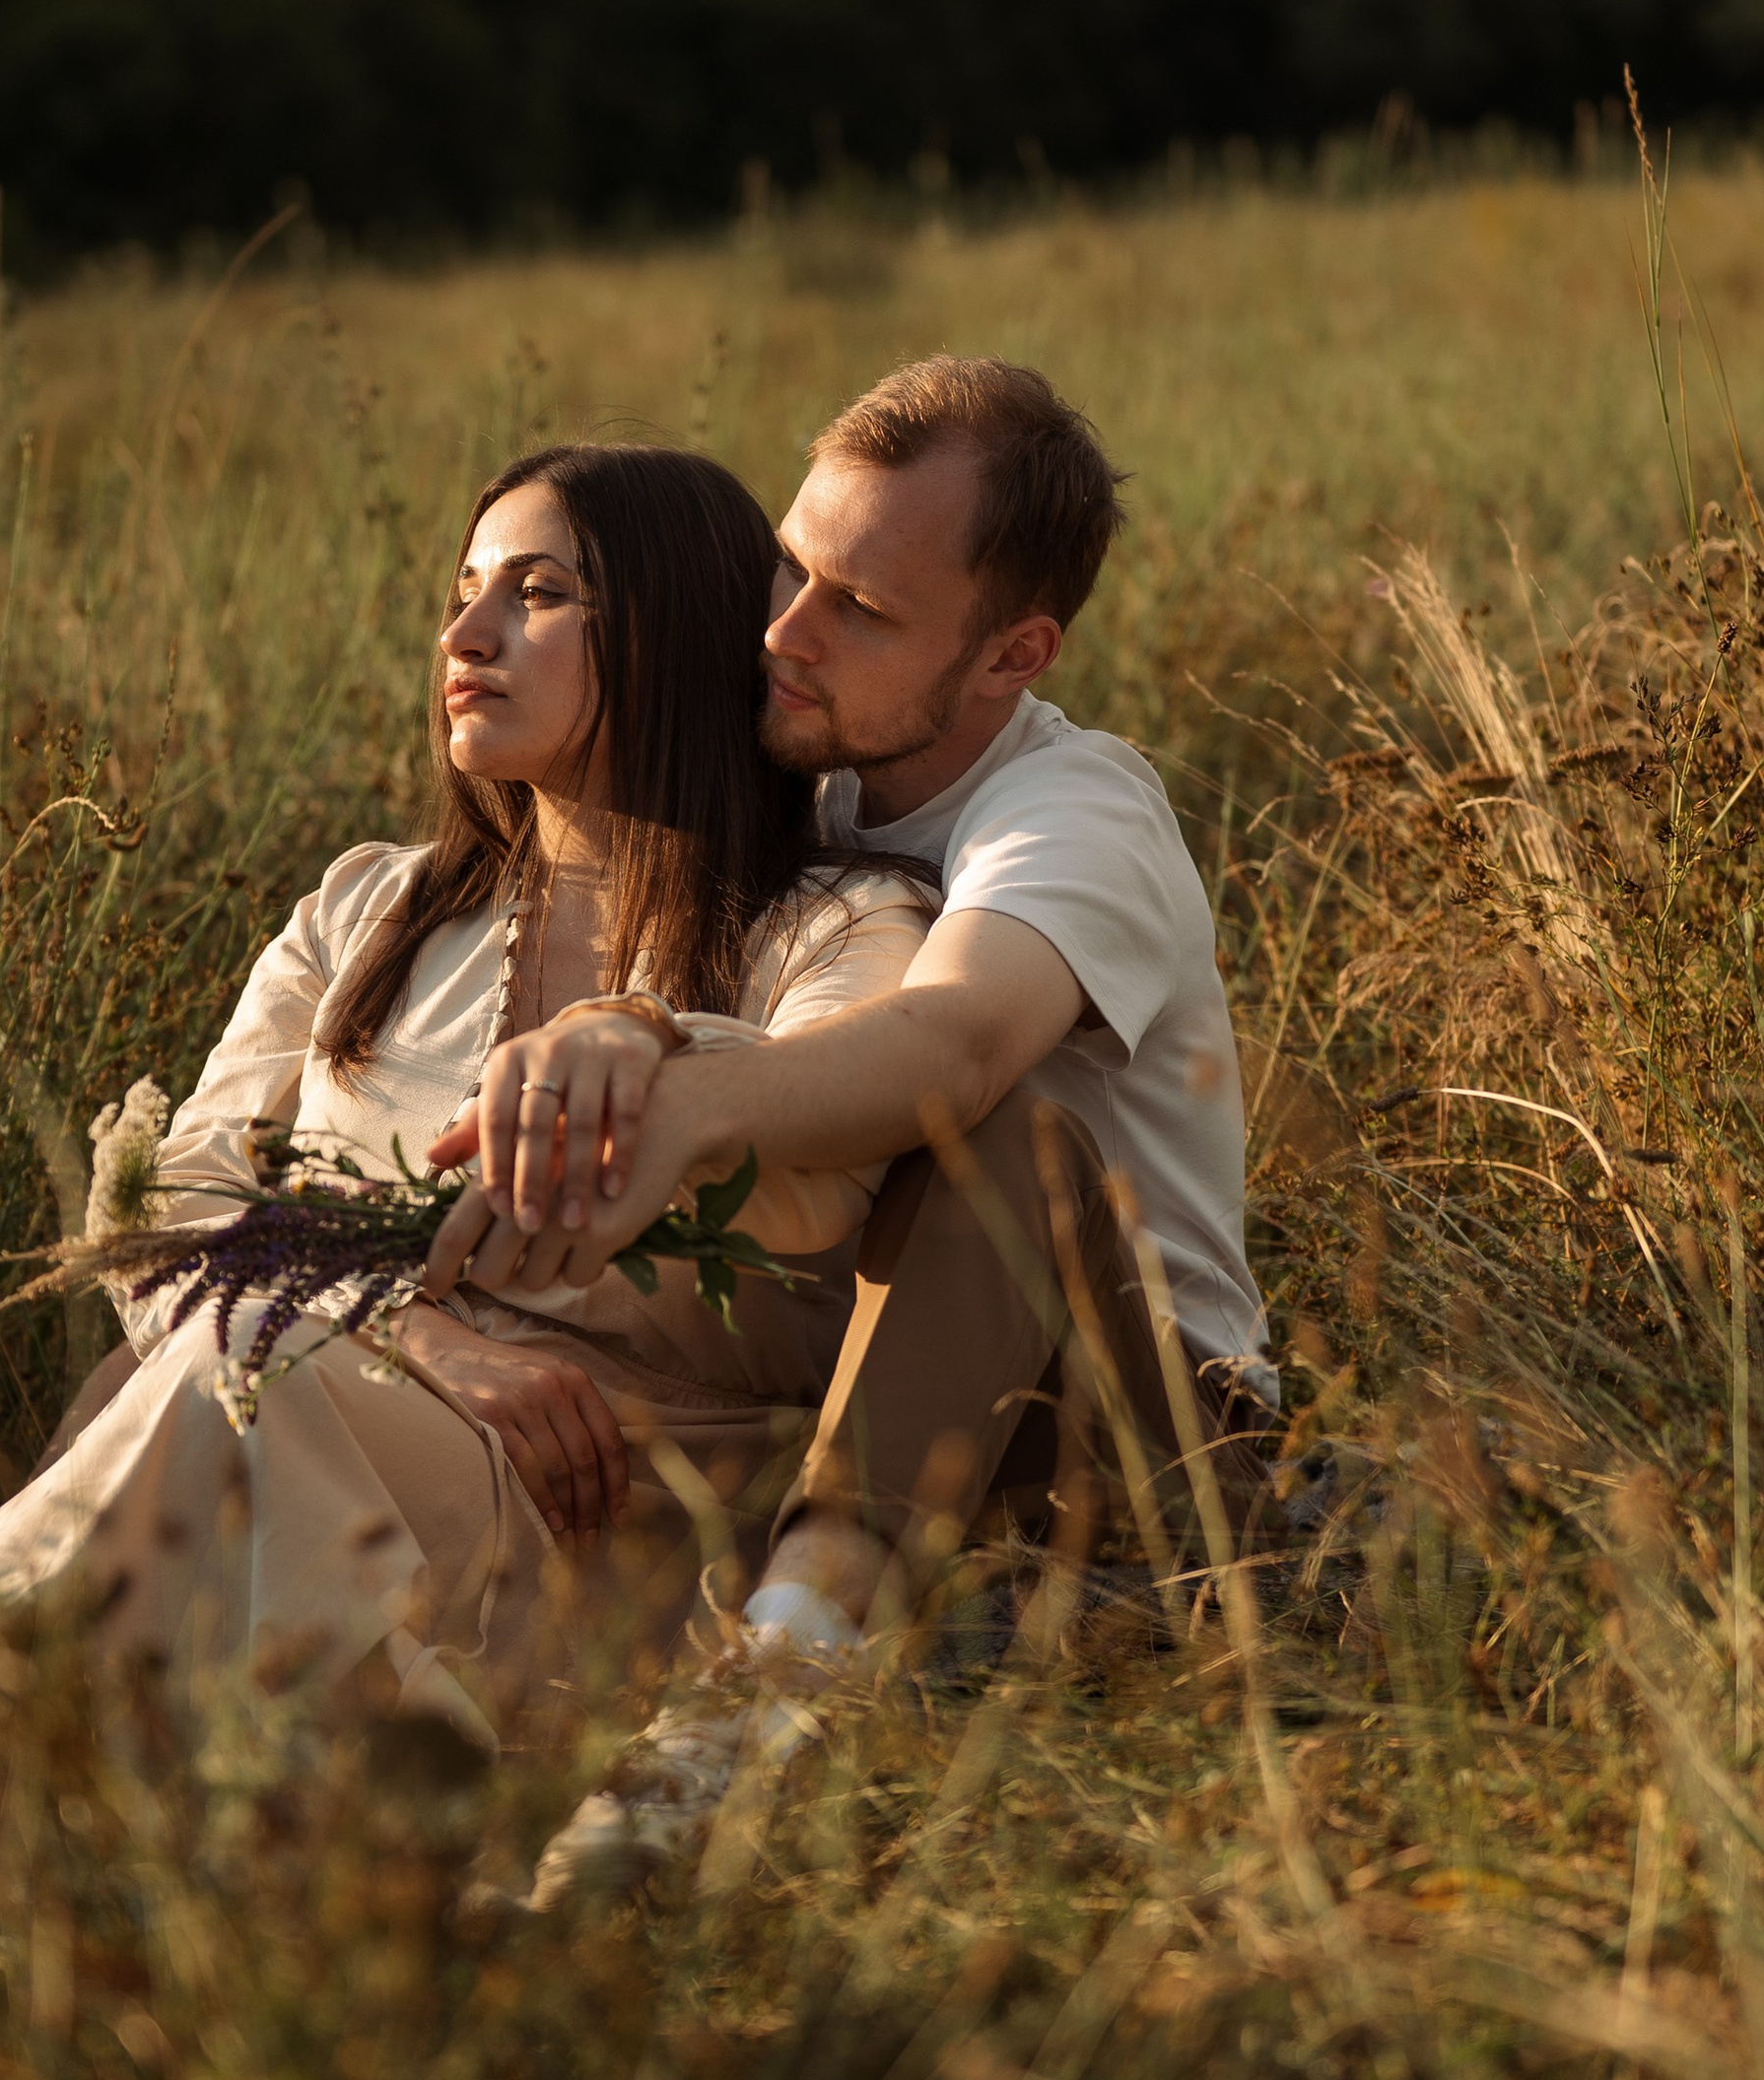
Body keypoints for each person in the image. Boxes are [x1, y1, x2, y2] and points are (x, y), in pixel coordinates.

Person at [0, 443, 931, 1787]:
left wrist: (641, 1037)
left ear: (674, 630)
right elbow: (174, 1206)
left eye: (538, 595)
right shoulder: (373, 907)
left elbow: (825, 1107)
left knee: (228, 1394)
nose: (465, 634)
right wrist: (423, 1337)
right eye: (464, 588)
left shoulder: (833, 929)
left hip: (595, 1529)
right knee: (223, 1390)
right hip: (296, 1422)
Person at [425, 356, 1276, 1905]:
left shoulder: (1076, 814)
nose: (785, 637)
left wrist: (683, 1082)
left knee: (1006, 1141)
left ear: (1014, 652)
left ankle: (760, 1708)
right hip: (835, 1398)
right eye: (791, 572)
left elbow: (947, 1051)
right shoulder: (809, 781)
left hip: (1122, 1433)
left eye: (863, 611)